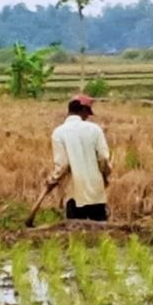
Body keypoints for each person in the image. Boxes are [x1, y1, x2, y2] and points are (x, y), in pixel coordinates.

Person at [46, 94, 112, 222]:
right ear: (83, 111)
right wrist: (105, 175)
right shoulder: (95, 130)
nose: (87, 117)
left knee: (76, 234)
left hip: (74, 191)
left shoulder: (59, 133)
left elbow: (62, 165)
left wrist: (52, 180)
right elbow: (103, 158)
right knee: (101, 233)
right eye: (87, 113)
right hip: (95, 189)